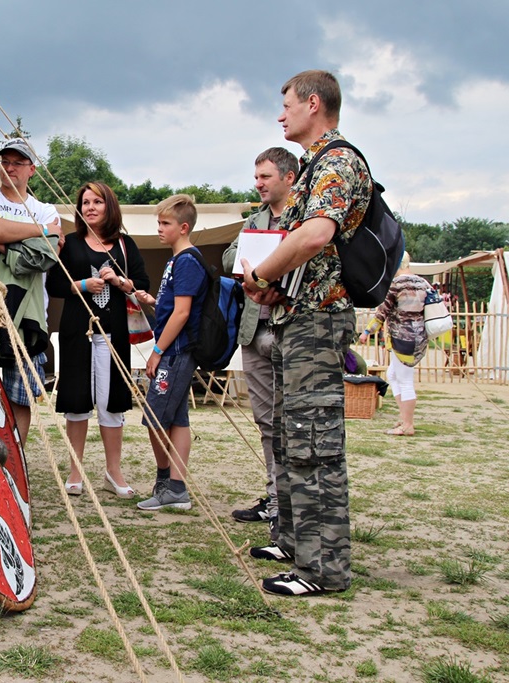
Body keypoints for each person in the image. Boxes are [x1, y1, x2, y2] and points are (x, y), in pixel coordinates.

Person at [240, 70, 371, 596]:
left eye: (287, 105)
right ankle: (295, 543)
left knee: (315, 442)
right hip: (299, 316)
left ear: (313, 104)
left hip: (318, 321)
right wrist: (277, 289)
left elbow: (316, 235)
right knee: (293, 437)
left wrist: (262, 275)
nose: (281, 115)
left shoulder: (337, 162)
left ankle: (323, 569)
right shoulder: (317, 164)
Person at [46, 182, 150, 498]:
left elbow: (142, 284)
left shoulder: (125, 244)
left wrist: (119, 281)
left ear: (109, 206)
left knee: (112, 402)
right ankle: (75, 471)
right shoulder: (70, 243)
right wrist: (81, 284)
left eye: (97, 202)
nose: (90, 207)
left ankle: (112, 472)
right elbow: (54, 284)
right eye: (85, 202)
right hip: (78, 330)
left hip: (113, 333)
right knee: (77, 401)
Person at [221, 147, 297, 532]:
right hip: (254, 331)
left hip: (291, 329)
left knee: (293, 422)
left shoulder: (306, 217)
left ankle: (293, 502)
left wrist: (269, 261)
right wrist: (259, 260)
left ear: (289, 177)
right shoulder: (254, 220)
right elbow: (229, 258)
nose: (259, 184)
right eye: (256, 177)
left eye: (265, 176)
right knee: (266, 421)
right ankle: (274, 498)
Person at [0, 137, 63, 442]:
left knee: (20, 394)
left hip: (27, 313)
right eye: (5, 161)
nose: (9, 168)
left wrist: (5, 236)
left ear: (31, 169)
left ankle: (14, 460)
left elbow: (45, 255)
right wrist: (42, 231)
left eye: (18, 163)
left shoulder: (45, 209)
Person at [133, 195, 207, 512]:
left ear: (184, 227)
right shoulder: (176, 260)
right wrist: (152, 301)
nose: (160, 229)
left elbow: (182, 313)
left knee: (154, 417)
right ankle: (175, 487)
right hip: (175, 349)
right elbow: (173, 307)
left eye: (165, 223)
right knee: (177, 418)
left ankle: (167, 482)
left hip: (176, 352)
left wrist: (157, 351)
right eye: (159, 223)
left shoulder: (187, 260)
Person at [358, 252, 429, 436]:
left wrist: (367, 332)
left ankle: (407, 424)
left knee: (405, 380)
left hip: (402, 338)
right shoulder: (423, 283)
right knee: (393, 374)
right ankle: (404, 418)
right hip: (418, 337)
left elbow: (382, 312)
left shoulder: (396, 284)